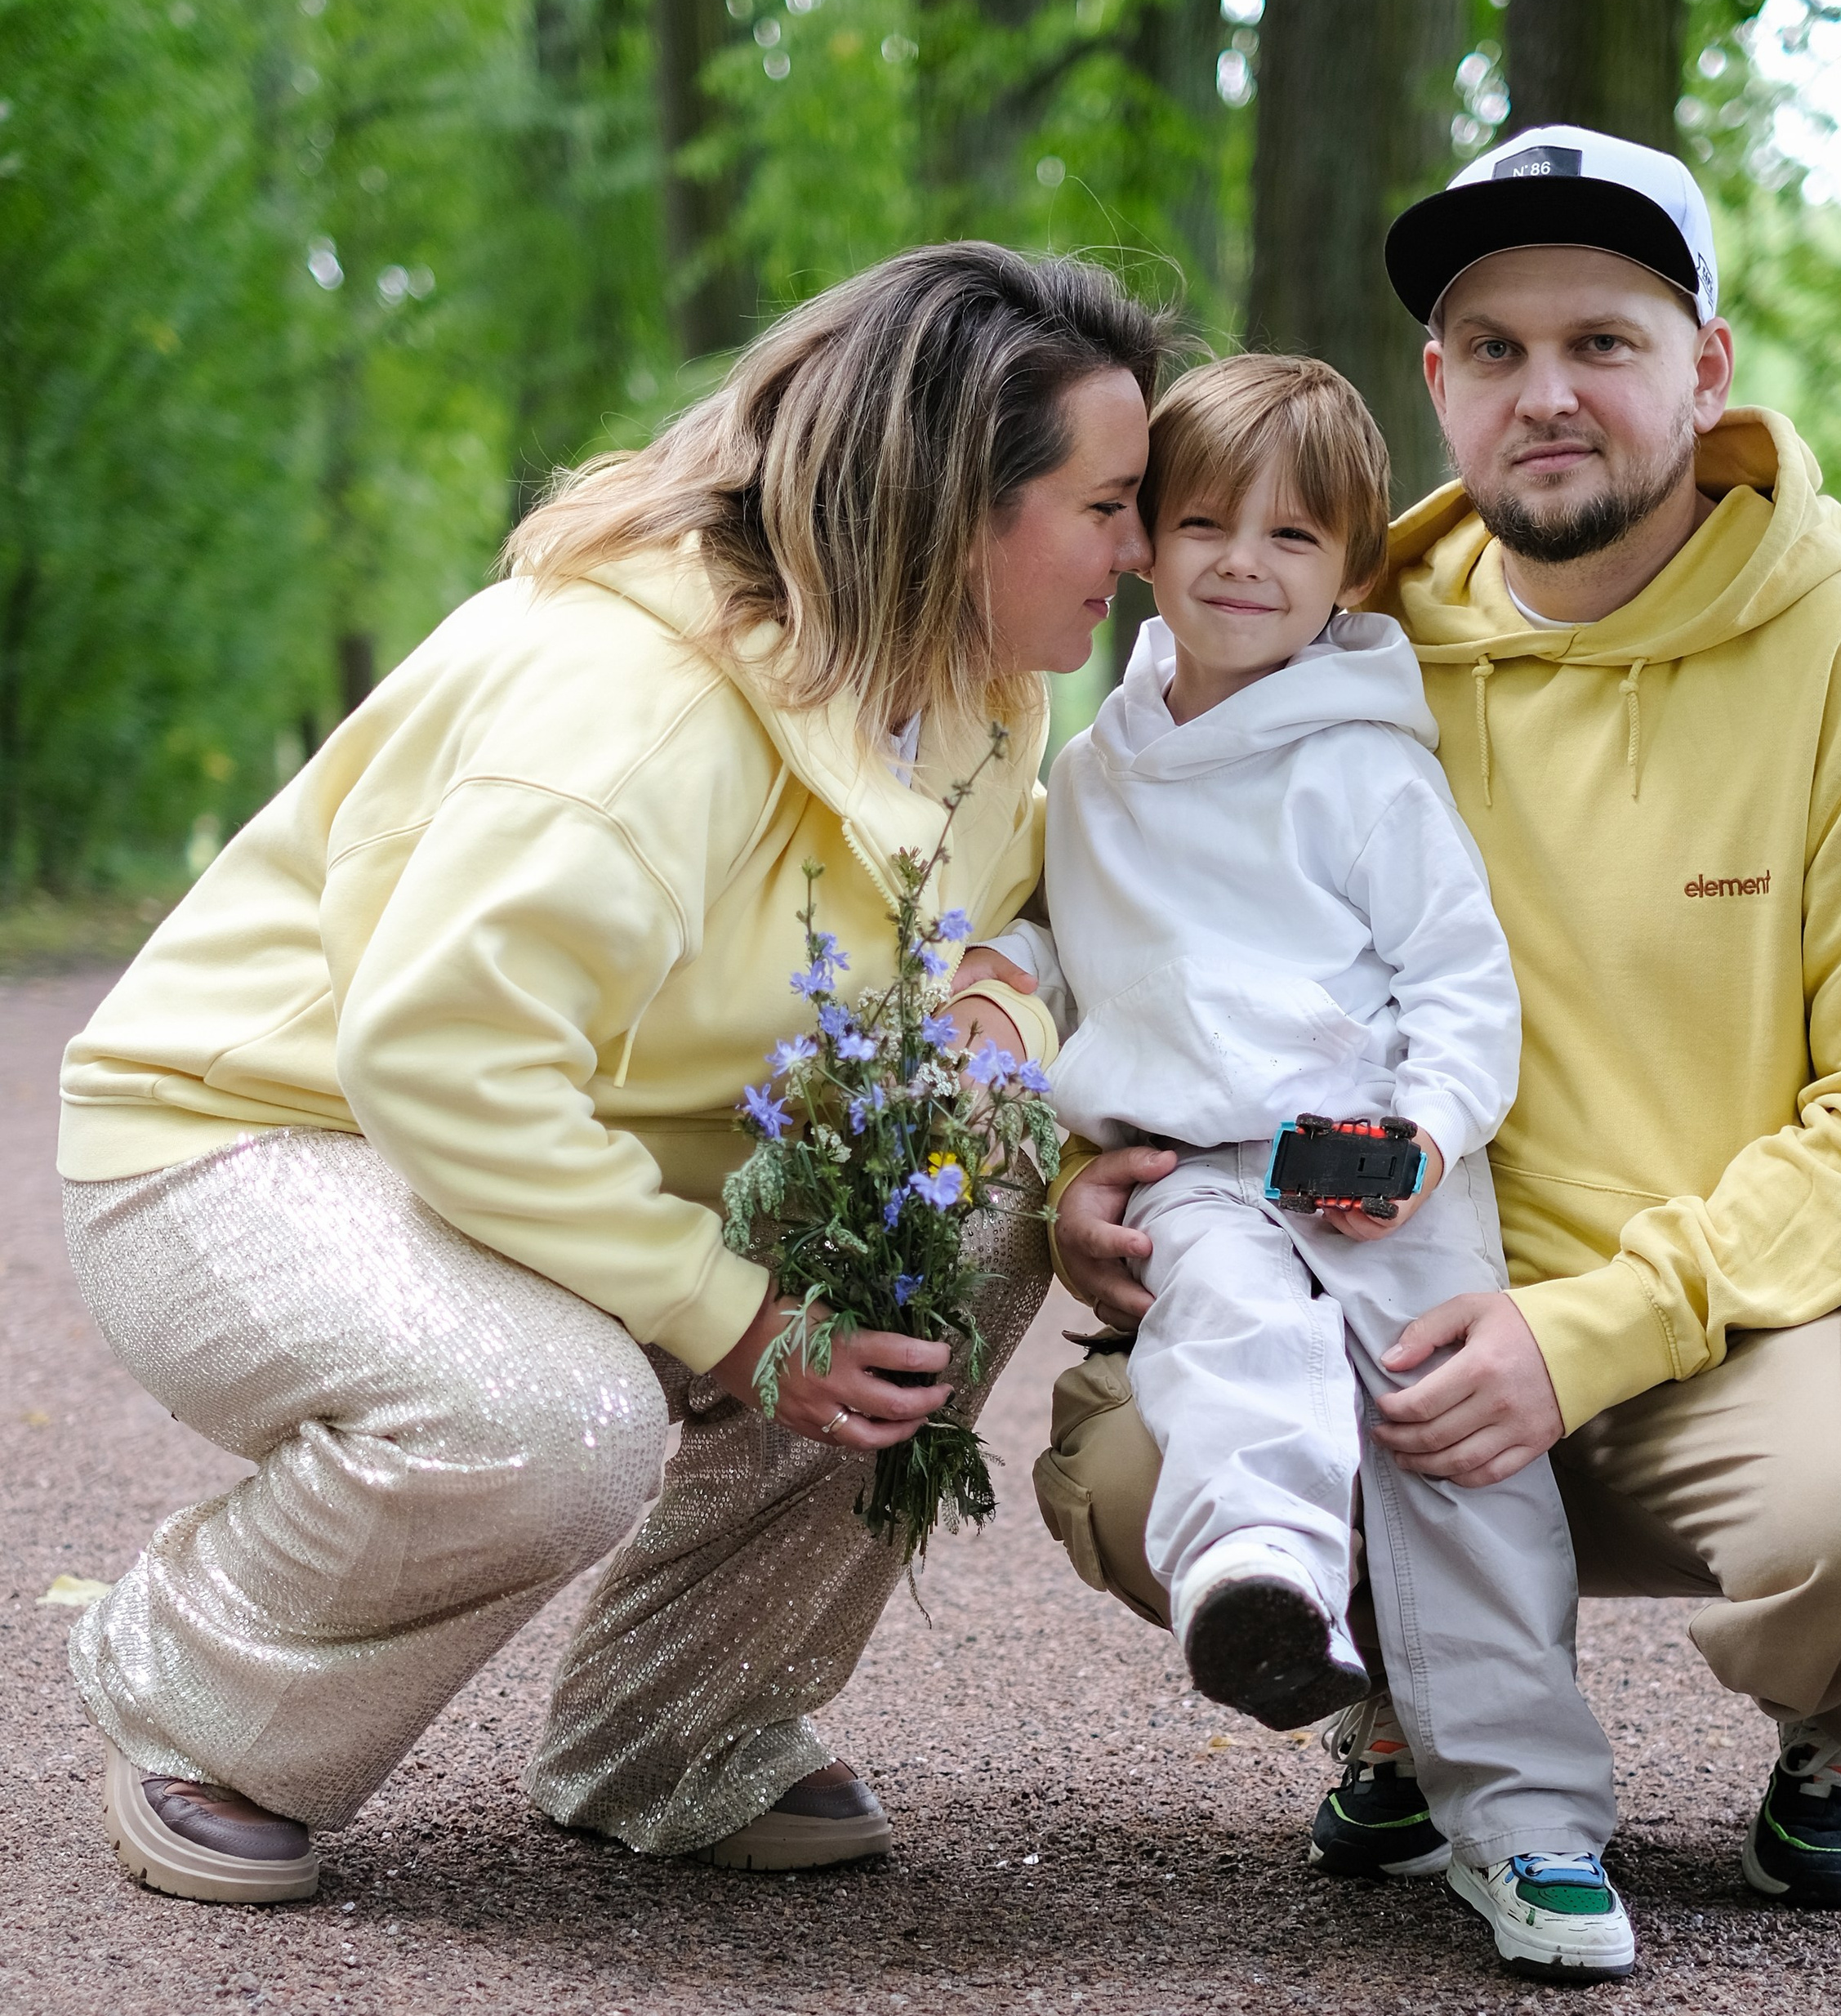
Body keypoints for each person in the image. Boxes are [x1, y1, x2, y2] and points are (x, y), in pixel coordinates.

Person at [1037, 127, 1841, 1918]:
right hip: (1402, 1297)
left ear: (1703, 369)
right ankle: (1391, 1714)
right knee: (1142, 1454)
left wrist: (1593, 1329)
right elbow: (1158, 902)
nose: (1549, 393)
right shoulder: (1336, 635)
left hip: (1744, 1332)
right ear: (1437, 387)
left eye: (1601, 341)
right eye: (1498, 350)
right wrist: (1088, 1166)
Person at [58, 243, 1161, 1906]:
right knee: (546, 1422)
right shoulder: (637, 707)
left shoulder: (983, 688)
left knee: (976, 1178)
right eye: (1107, 503)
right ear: (950, 507)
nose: (1138, 549)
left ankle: (676, 1735)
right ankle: (203, 1697)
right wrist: (727, 1315)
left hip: (574, 1149)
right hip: (256, 1141)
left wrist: (1001, 1004)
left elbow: (998, 918)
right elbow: (439, 1056)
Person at [986, 353, 1630, 1980]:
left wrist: (1419, 1131)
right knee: (1226, 1344)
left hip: (1372, 1160)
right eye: (1200, 522)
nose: (1237, 564)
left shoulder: (1364, 765)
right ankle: (1261, 1584)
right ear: (1141, 541)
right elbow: (1056, 945)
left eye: (1289, 538)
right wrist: (992, 1001)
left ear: (1350, 570)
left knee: (1451, 1458)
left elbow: (1459, 982)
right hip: (1196, 1165)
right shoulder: (1094, 770)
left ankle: (1527, 1822)